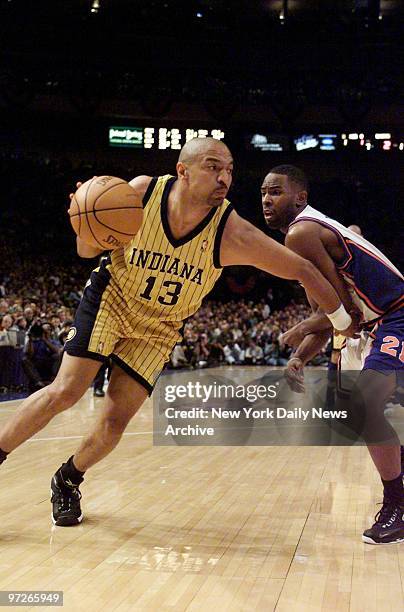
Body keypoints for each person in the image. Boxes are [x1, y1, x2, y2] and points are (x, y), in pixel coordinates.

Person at [0, 139, 356, 528]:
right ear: (182, 171)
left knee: (114, 424)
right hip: (112, 300)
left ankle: (68, 478)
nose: (224, 178)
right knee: (67, 390)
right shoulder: (137, 194)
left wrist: (342, 318)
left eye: (230, 170)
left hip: (161, 328)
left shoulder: (231, 232)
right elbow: (86, 251)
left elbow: (302, 269)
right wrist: (88, 221)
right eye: (213, 167)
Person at [261, 164, 404, 544]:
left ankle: (397, 504)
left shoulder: (301, 233)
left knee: (367, 404)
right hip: (384, 323)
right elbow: (334, 316)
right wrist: (300, 357)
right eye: (262, 192)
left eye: (276, 191)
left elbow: (345, 315)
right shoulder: (310, 236)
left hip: (397, 315)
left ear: (300, 197)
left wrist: (300, 330)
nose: (266, 199)